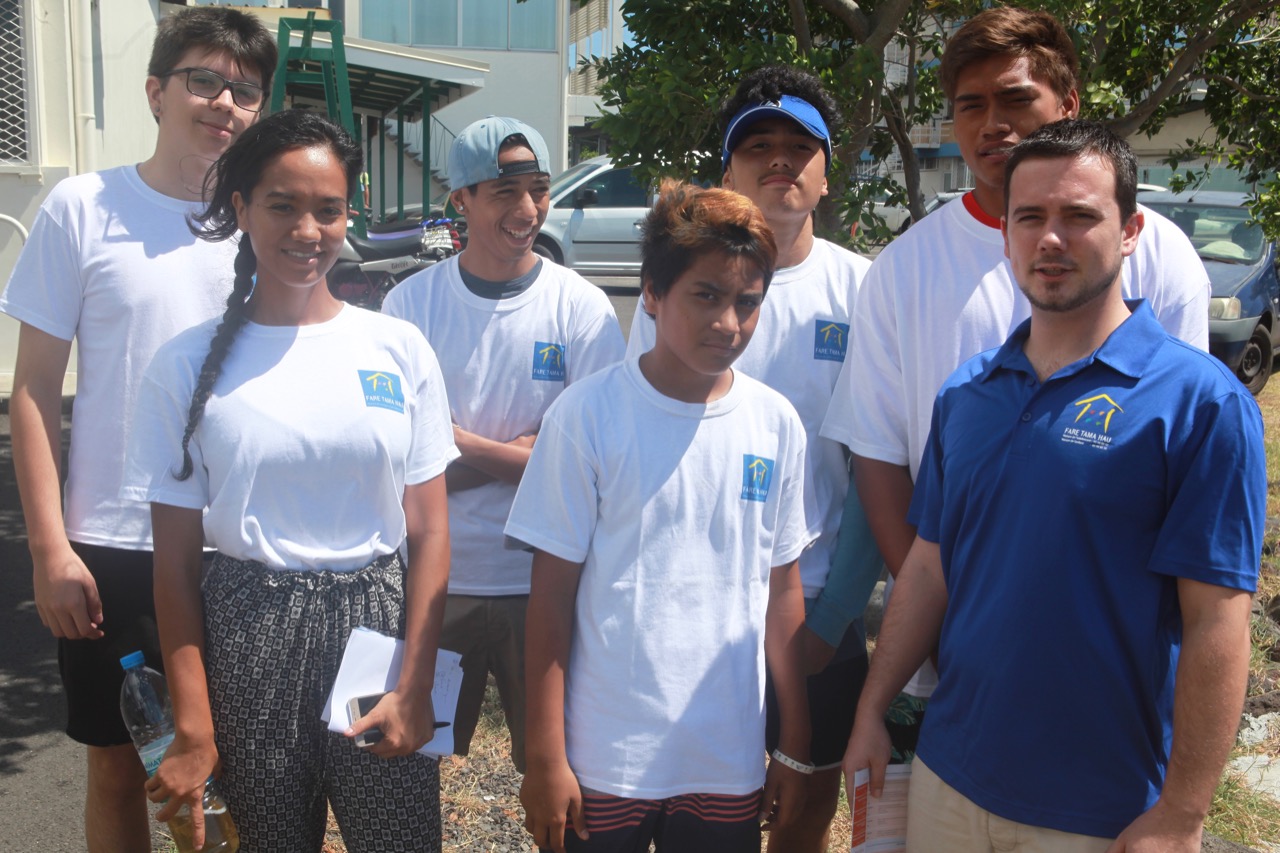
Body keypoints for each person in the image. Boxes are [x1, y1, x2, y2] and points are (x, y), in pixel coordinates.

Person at [842, 118, 1264, 852]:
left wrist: (1184, 813)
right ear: (1004, 233)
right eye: (1029, 216)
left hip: (1099, 809)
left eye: (1079, 215)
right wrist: (871, 709)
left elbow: (1218, 621)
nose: (1050, 239)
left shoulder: (1201, 404)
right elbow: (927, 566)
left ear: (1131, 230)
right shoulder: (967, 394)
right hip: (950, 778)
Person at [820, 6, 1211, 756]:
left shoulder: (1156, 253)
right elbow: (878, 451)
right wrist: (933, 614)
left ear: (1067, 105)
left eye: (1015, 99)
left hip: (1108, 654)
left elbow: (1182, 456)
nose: (992, 123)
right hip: (948, 656)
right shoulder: (905, 268)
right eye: (971, 105)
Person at [120, 110, 457, 852]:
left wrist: (417, 683)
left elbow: (431, 532)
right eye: (282, 204)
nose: (308, 229)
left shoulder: (397, 347)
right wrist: (195, 725)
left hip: (377, 626)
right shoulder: (183, 366)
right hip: (248, 632)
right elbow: (173, 567)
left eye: (328, 209)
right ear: (240, 208)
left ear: (348, 214)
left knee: (400, 841)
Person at [0, 8, 275, 850]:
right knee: (123, 765)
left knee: (243, 765)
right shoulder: (83, 207)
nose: (223, 101)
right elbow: (35, 391)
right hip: (112, 541)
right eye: (203, 79)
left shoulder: (265, 220)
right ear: (156, 91)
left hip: (238, 540)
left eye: (244, 89)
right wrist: (50, 549)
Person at [511, 181, 814, 853]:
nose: (727, 323)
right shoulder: (587, 417)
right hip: (603, 756)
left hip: (724, 755)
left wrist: (794, 744)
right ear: (651, 292)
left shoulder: (775, 424)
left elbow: (783, 593)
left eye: (747, 302)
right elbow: (551, 601)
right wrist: (546, 755)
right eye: (705, 295)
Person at [628, 65, 875, 851]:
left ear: (828, 170)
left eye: (800, 147)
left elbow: (878, 468)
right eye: (758, 145)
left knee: (803, 808)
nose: (780, 160)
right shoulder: (682, 288)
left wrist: (830, 618)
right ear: (728, 169)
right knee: (697, 811)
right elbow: (646, 442)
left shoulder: (865, 291)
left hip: (818, 617)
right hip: (691, 611)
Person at [382, 116, 625, 773]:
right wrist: (524, 453)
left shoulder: (583, 309)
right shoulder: (408, 309)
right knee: (406, 769)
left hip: (544, 581)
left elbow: (589, 463)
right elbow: (394, 467)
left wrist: (452, 444)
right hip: (437, 583)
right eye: (504, 191)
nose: (528, 209)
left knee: (563, 776)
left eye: (539, 189)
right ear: (459, 199)